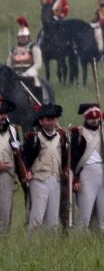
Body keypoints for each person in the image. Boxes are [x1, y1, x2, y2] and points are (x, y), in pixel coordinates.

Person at [69, 103, 104, 232]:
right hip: (86, 173)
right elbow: (74, 158)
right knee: (84, 213)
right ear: (86, 118)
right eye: (91, 118)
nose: (95, 120)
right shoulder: (78, 133)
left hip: (103, 171)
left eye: (97, 118)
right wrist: (76, 179)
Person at [22, 103, 67, 231]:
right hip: (39, 179)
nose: (51, 122)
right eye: (48, 120)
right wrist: (28, 172)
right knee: (36, 218)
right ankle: (32, 246)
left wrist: (66, 170)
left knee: (53, 221)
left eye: (53, 119)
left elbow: (65, 158)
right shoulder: (33, 137)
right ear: (41, 121)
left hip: (56, 180)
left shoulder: (62, 137)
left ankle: (50, 246)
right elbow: (25, 157)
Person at [0, 98, 30, 233]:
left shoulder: (13, 131)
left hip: (7, 176)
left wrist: (23, 177)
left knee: (6, 213)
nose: (2, 117)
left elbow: (18, 156)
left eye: (4, 113)